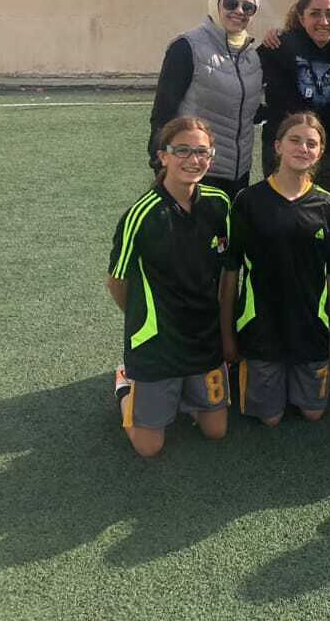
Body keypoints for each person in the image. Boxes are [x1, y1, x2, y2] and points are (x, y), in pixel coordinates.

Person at [108, 116, 231, 457]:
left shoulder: (219, 203)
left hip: (203, 339)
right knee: (149, 447)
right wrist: (141, 317)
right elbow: (116, 281)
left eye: (201, 152)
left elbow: (226, 269)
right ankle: (125, 383)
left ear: (211, 157)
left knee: (216, 431)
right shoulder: (141, 215)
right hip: (158, 346)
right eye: (182, 151)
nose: (193, 159)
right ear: (163, 156)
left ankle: (181, 392)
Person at [219, 112, 330, 426]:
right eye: (295, 140)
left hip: (310, 326)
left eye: (311, 144)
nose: (303, 148)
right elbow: (231, 272)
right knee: (271, 419)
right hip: (262, 328)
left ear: (320, 152)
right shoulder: (249, 201)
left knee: (312, 413)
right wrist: (227, 335)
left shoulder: (326, 204)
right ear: (278, 146)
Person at [257, 0, 330, 308]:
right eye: (315, 13)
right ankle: (280, 307)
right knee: (281, 230)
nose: (323, 21)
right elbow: (245, 80)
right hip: (286, 156)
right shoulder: (280, 46)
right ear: (301, 17)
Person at [148, 0, 263, 199]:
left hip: (238, 175)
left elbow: (250, 111)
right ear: (215, 3)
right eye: (231, 3)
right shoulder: (187, 47)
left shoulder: (252, 55)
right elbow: (162, 113)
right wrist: (160, 163)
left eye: (248, 7)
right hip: (195, 170)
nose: (239, 11)